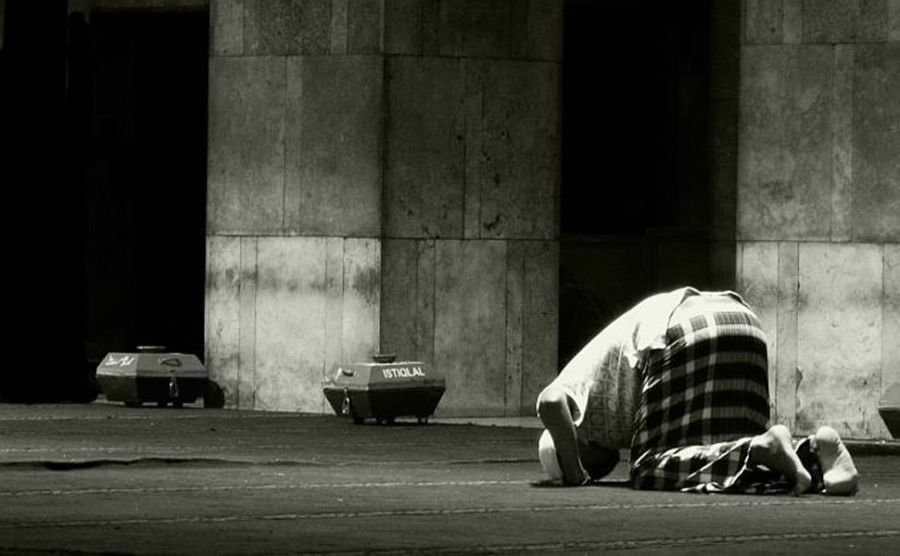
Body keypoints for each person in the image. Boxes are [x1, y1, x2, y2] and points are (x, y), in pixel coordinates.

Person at [537, 287, 859, 495]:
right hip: (742, 320)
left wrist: (575, 476)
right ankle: (816, 452)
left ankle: (761, 449)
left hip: (679, 331)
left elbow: (550, 402)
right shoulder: (607, 424)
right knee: (738, 460)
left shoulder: (580, 413)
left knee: (648, 468)